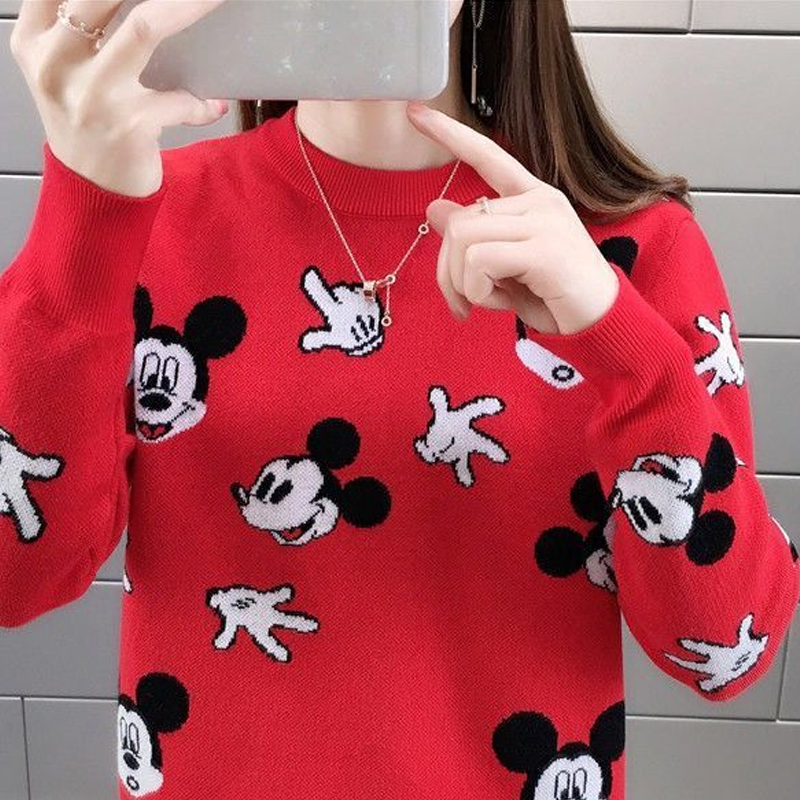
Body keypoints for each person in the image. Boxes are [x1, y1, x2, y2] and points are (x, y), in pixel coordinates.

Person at [1, 1, 798, 798]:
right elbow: (14, 576)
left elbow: (726, 648)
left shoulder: (629, 251)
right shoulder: (143, 218)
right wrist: (83, 206)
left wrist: (623, 347)